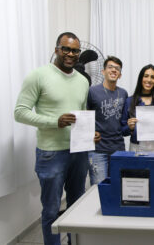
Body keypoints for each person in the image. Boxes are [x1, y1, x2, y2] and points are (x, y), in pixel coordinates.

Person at [14, 32, 100, 245]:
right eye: (66, 49)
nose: (71, 54)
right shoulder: (38, 75)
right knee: (51, 210)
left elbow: (80, 117)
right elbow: (20, 112)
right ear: (56, 50)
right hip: (51, 153)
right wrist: (55, 121)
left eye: (75, 50)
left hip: (79, 153)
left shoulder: (82, 81)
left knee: (76, 207)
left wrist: (90, 134)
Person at [121, 64, 154, 174]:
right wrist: (129, 128)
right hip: (136, 146)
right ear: (141, 78)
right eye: (146, 76)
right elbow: (123, 131)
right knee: (137, 180)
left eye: (152, 77)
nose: (149, 80)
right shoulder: (130, 101)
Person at [87, 56, 128, 185]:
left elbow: (124, 120)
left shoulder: (123, 93)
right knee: (100, 187)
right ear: (103, 71)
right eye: (110, 67)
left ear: (120, 74)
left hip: (119, 148)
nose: (114, 70)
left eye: (117, 69)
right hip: (98, 150)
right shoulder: (92, 92)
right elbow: (85, 118)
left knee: (118, 186)